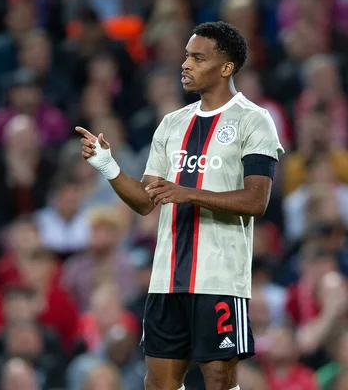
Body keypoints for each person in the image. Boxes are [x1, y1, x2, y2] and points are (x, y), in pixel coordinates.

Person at [76, 21, 284, 390]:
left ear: (226, 67)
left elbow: (257, 199)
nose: (185, 64)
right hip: (165, 280)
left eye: (197, 57)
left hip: (220, 279)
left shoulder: (255, 120)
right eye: (186, 55)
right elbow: (145, 202)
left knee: (219, 381)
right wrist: (107, 165)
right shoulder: (172, 124)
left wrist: (188, 193)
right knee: (158, 385)